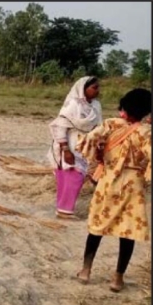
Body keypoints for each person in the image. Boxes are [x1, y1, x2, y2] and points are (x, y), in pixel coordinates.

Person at [75, 88, 151, 292]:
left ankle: (85, 271)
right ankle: (117, 279)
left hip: (108, 180)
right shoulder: (146, 132)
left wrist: (100, 155)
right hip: (133, 185)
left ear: (124, 106)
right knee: (127, 231)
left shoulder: (110, 124)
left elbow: (88, 140)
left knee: (96, 227)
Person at [47, 76, 103, 219]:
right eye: (94, 88)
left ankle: (63, 209)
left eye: (98, 87)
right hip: (69, 142)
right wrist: (65, 149)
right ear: (83, 89)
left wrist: (99, 146)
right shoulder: (73, 104)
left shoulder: (96, 106)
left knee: (76, 176)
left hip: (85, 145)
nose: (98, 91)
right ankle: (65, 210)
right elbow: (60, 126)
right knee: (71, 175)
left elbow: (99, 127)